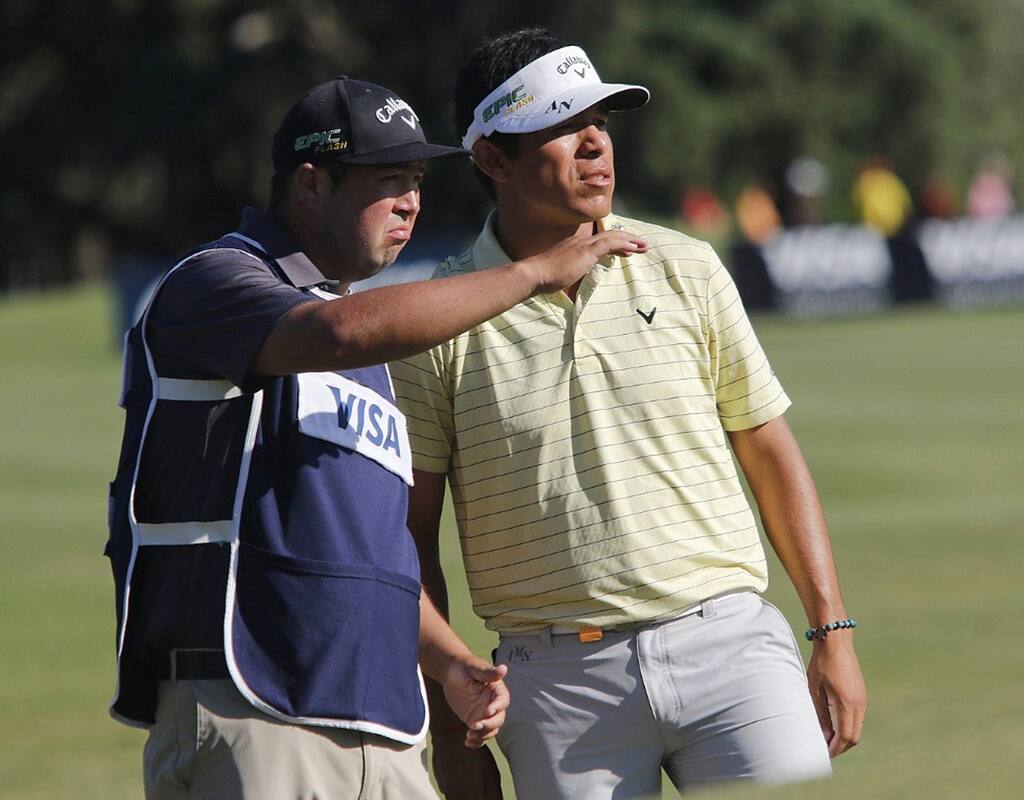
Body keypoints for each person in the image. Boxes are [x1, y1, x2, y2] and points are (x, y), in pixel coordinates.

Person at [104, 76, 647, 799]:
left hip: (385, 727)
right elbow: (335, 333)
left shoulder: (365, 348)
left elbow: (369, 553)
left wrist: (449, 663)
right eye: (388, 179)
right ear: (310, 184)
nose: (411, 201)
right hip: (254, 711)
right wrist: (532, 274)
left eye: (417, 180)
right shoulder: (217, 282)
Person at [390, 29, 866, 799]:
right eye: (561, 125)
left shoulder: (687, 267)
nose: (594, 144)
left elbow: (769, 450)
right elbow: (408, 539)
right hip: (555, 683)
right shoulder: (436, 320)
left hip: (731, 644)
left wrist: (831, 628)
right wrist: (449, 724)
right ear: (493, 159)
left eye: (600, 122)